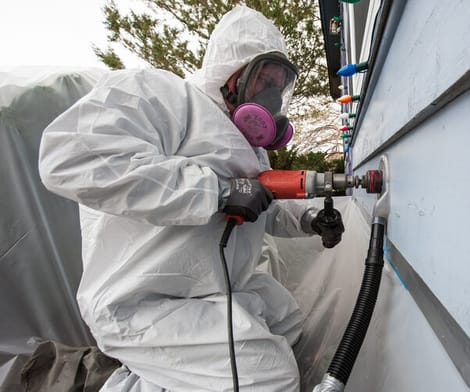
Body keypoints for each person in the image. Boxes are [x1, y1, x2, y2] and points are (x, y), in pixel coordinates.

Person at [38, 5, 343, 392]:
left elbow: (261, 200)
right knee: (268, 377)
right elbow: (71, 157)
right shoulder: (160, 94)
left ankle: (168, 376)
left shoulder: (249, 143)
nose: (269, 96)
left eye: (277, 86)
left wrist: (309, 218)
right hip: (144, 302)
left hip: (207, 289)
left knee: (289, 326)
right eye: (261, 80)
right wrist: (216, 192)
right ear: (230, 71)